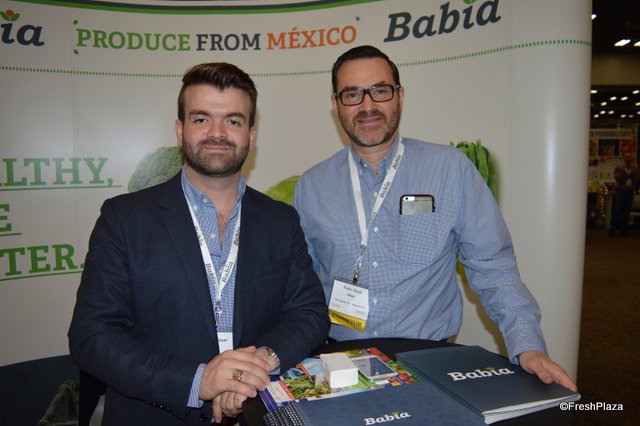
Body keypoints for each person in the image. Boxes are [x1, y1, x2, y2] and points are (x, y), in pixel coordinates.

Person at [293, 45, 577, 391]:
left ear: (400, 95)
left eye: (380, 90)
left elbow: (492, 266)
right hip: (340, 363)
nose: (367, 105)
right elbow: (297, 285)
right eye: (352, 94)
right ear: (336, 103)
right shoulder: (312, 186)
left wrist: (527, 346)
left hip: (428, 361)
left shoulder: (450, 170)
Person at [68, 62, 329, 425]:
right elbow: (92, 336)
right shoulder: (124, 219)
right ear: (181, 130)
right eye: (202, 119)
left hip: (256, 411)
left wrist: (257, 365)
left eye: (233, 121)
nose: (217, 133)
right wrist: (199, 381)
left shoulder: (280, 221)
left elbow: (309, 313)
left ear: (251, 135)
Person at [609, 152, 638, 237]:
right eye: (627, 156)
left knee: (626, 211)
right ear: (624, 158)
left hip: (630, 192)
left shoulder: (633, 168)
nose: (628, 158)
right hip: (620, 191)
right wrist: (622, 169)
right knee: (617, 211)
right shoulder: (619, 167)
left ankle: (624, 230)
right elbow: (616, 177)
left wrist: (637, 169)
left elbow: (637, 179)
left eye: (630, 156)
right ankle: (612, 230)